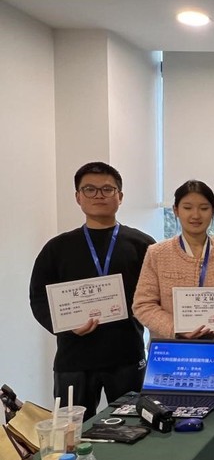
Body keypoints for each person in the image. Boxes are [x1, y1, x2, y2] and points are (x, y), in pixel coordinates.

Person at [29, 162, 155, 420]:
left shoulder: (142, 244)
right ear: (78, 197)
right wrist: (64, 325)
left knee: (133, 427)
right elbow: (39, 298)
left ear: (120, 196)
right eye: (90, 189)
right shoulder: (57, 248)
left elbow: (156, 294)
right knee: (72, 433)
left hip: (126, 354)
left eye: (107, 189)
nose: (99, 195)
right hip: (74, 358)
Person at [132, 180, 214, 340]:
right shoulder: (157, 253)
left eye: (204, 208)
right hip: (172, 347)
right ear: (176, 210)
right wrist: (176, 329)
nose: (196, 215)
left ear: (213, 211)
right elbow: (143, 305)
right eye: (187, 208)